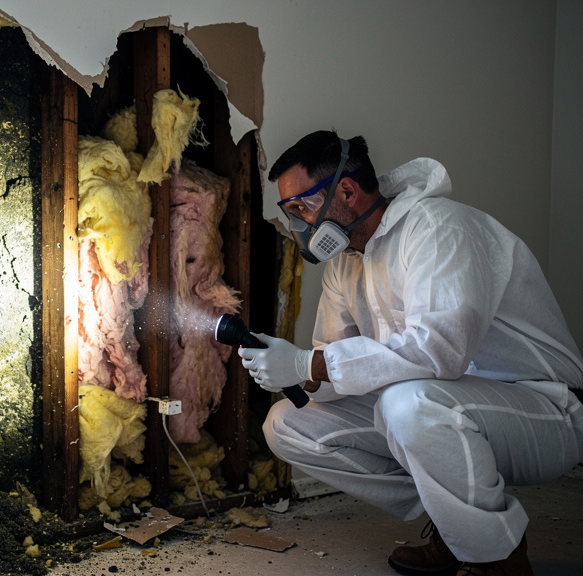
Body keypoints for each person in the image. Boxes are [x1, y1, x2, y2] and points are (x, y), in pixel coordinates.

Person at [240, 130, 583, 576]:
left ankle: (498, 559)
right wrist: (296, 374)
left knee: (410, 404)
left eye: (301, 207)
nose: (300, 223)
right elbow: (336, 364)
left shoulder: (437, 227)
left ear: (346, 190)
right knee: (287, 424)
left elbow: (438, 351)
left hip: (545, 409)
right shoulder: (346, 264)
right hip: (445, 410)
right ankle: (461, 524)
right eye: (291, 212)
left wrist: (311, 363)